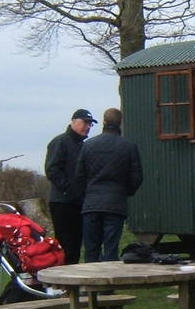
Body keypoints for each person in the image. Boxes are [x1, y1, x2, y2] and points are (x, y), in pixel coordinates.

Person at [75, 108, 143, 262]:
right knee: (111, 248)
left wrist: (86, 194)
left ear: (104, 122)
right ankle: (109, 285)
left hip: (91, 203)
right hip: (115, 203)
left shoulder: (88, 145)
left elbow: (79, 176)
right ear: (120, 123)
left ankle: (91, 283)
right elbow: (137, 177)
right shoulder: (129, 146)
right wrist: (125, 192)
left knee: (91, 249)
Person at [44, 109, 94, 264]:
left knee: (76, 245)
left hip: (78, 202)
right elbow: (52, 169)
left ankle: (73, 282)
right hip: (62, 202)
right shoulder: (60, 142)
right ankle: (64, 282)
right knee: (66, 245)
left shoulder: (83, 146)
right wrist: (68, 188)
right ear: (73, 121)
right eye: (85, 122)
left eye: (90, 124)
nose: (87, 127)